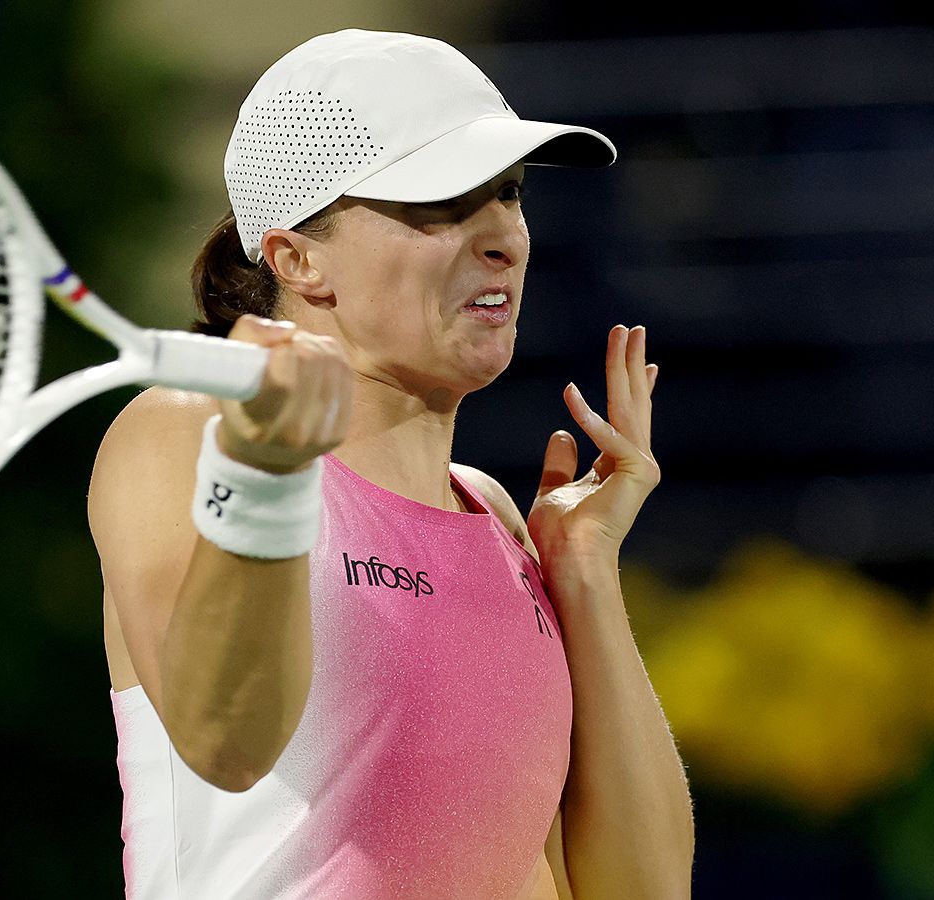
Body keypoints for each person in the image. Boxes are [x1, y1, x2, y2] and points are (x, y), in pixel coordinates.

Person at [88, 29, 694, 900]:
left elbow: (643, 889)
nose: (505, 239)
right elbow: (225, 742)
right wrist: (264, 476)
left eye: (510, 195)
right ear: (298, 258)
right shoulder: (188, 432)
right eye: (444, 204)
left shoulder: (496, 517)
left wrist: (585, 572)